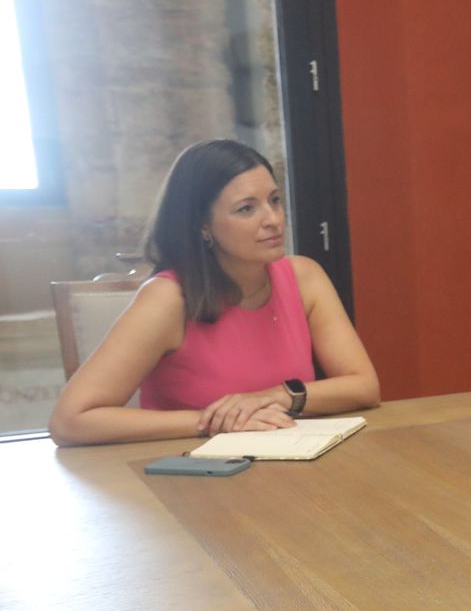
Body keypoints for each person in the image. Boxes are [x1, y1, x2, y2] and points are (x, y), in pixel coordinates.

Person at [49, 140, 379, 446]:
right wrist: (214, 422)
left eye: (274, 201)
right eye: (246, 209)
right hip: (194, 478)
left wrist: (275, 396)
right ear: (202, 225)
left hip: (291, 464)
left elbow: (363, 386)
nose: (273, 219)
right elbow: (71, 421)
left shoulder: (305, 277)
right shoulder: (168, 299)